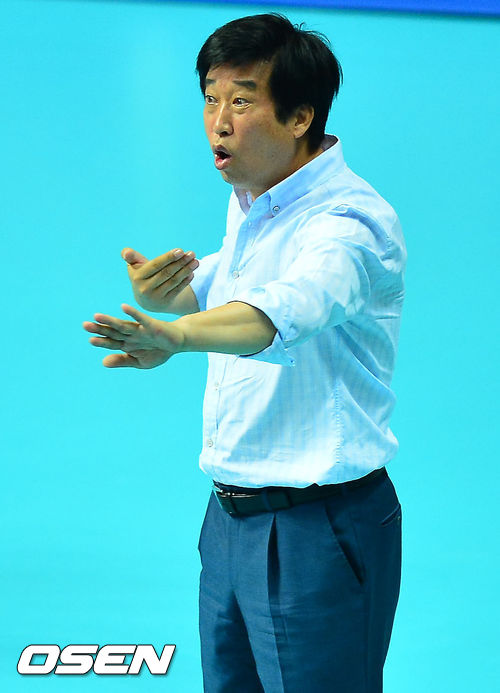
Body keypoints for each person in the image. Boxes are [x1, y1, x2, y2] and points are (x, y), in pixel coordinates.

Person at [83, 13, 406, 693]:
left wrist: (176, 337)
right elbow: (226, 286)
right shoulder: (258, 199)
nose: (218, 122)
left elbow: (283, 310)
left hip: (317, 527)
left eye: (241, 100)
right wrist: (169, 294)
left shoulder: (349, 224)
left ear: (299, 117)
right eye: (210, 98)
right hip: (230, 521)